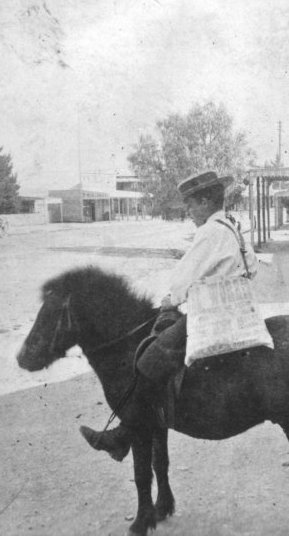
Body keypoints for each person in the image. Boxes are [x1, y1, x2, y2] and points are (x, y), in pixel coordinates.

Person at [79, 170, 259, 461]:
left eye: (190, 204)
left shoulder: (210, 232)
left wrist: (170, 300)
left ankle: (123, 435)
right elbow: (252, 267)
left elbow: (182, 278)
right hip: (239, 309)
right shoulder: (231, 226)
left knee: (149, 359)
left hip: (213, 315)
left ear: (204, 202)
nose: (188, 211)